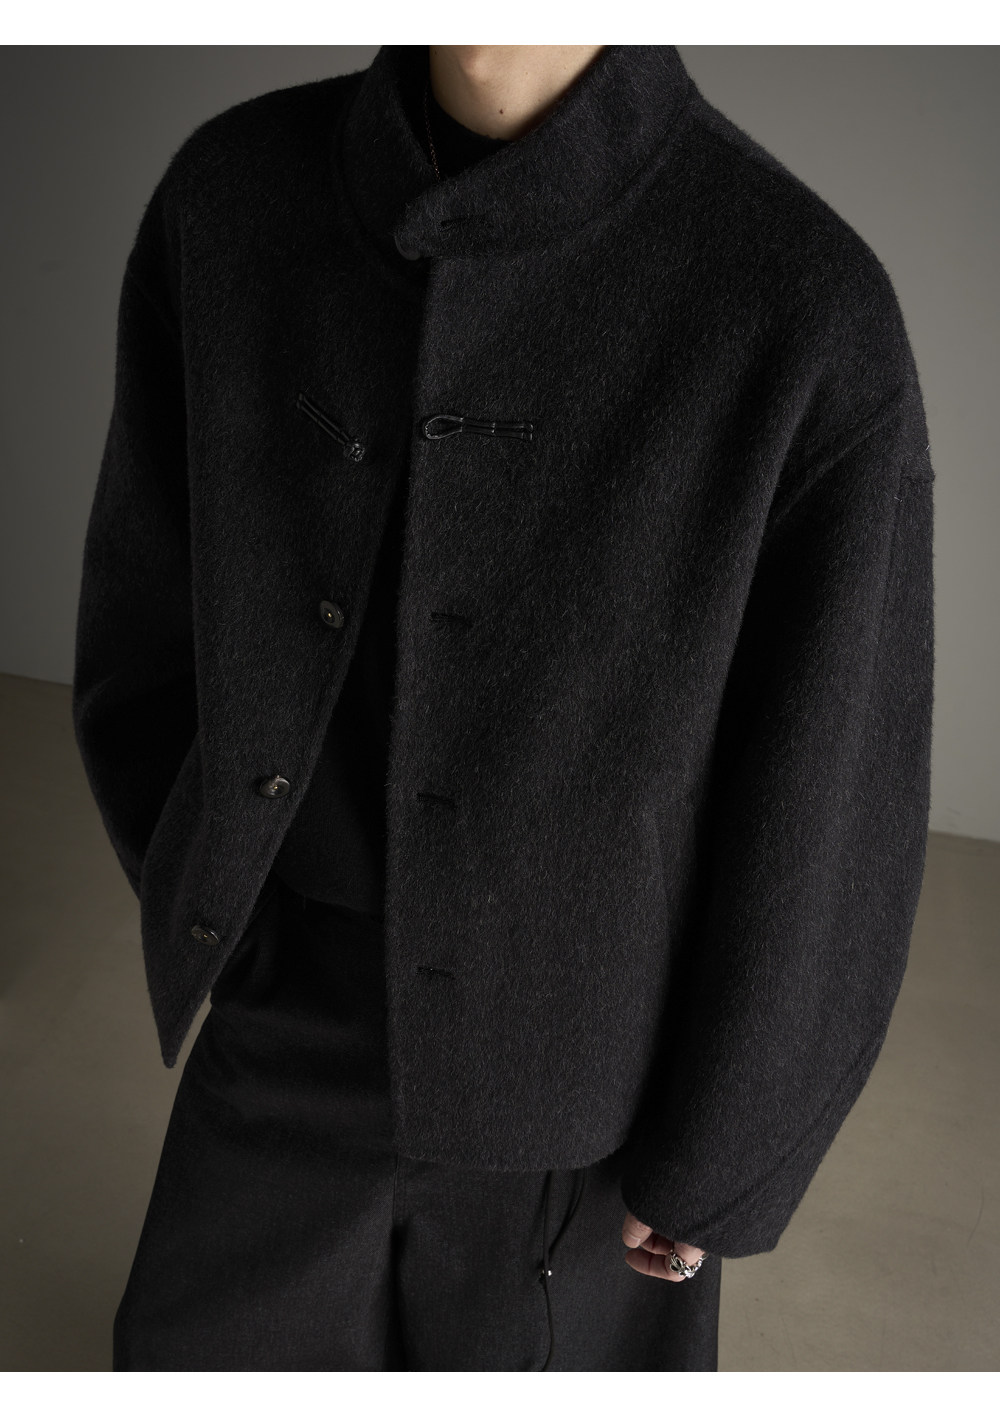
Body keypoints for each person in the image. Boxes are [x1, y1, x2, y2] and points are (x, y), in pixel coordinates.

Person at [72, 44, 935, 1371]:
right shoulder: (232, 198)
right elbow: (146, 614)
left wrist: (718, 1156)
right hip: (289, 1006)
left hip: (592, 1085)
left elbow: (835, 798)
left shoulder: (801, 304)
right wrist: (223, 908)